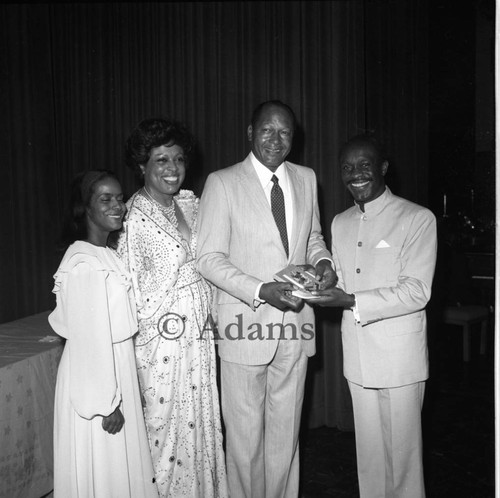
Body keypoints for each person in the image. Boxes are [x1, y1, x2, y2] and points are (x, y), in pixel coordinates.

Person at [196, 100, 336, 498]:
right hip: (244, 324)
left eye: (285, 132)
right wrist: (260, 290)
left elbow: (313, 238)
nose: (276, 139)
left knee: (285, 436)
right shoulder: (222, 183)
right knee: (243, 442)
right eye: (267, 130)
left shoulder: (306, 178)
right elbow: (208, 258)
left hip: (297, 324)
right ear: (250, 132)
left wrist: (324, 262)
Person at [312, 135, 437, 498]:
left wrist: (348, 299)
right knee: (368, 459)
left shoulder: (417, 218)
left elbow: (417, 291)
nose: (355, 175)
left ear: (383, 168)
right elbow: (341, 279)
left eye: (364, 165)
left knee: (403, 462)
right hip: (358, 360)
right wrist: (322, 282)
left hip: (400, 362)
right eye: (347, 168)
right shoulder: (340, 222)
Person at [115, 118, 228, 497]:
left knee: (200, 421)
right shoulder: (132, 217)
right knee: (163, 431)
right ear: (142, 165)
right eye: (161, 160)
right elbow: (128, 291)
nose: (172, 168)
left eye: (178, 159)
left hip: (197, 331)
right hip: (159, 342)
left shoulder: (190, 204)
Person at [48, 170, 158, 498]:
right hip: (96, 387)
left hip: (113, 373)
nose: (118, 206)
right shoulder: (85, 264)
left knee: (117, 471)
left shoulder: (105, 254)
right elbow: (88, 343)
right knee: (103, 468)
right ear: (86, 209)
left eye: (120, 198)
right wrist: (105, 404)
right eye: (105, 199)